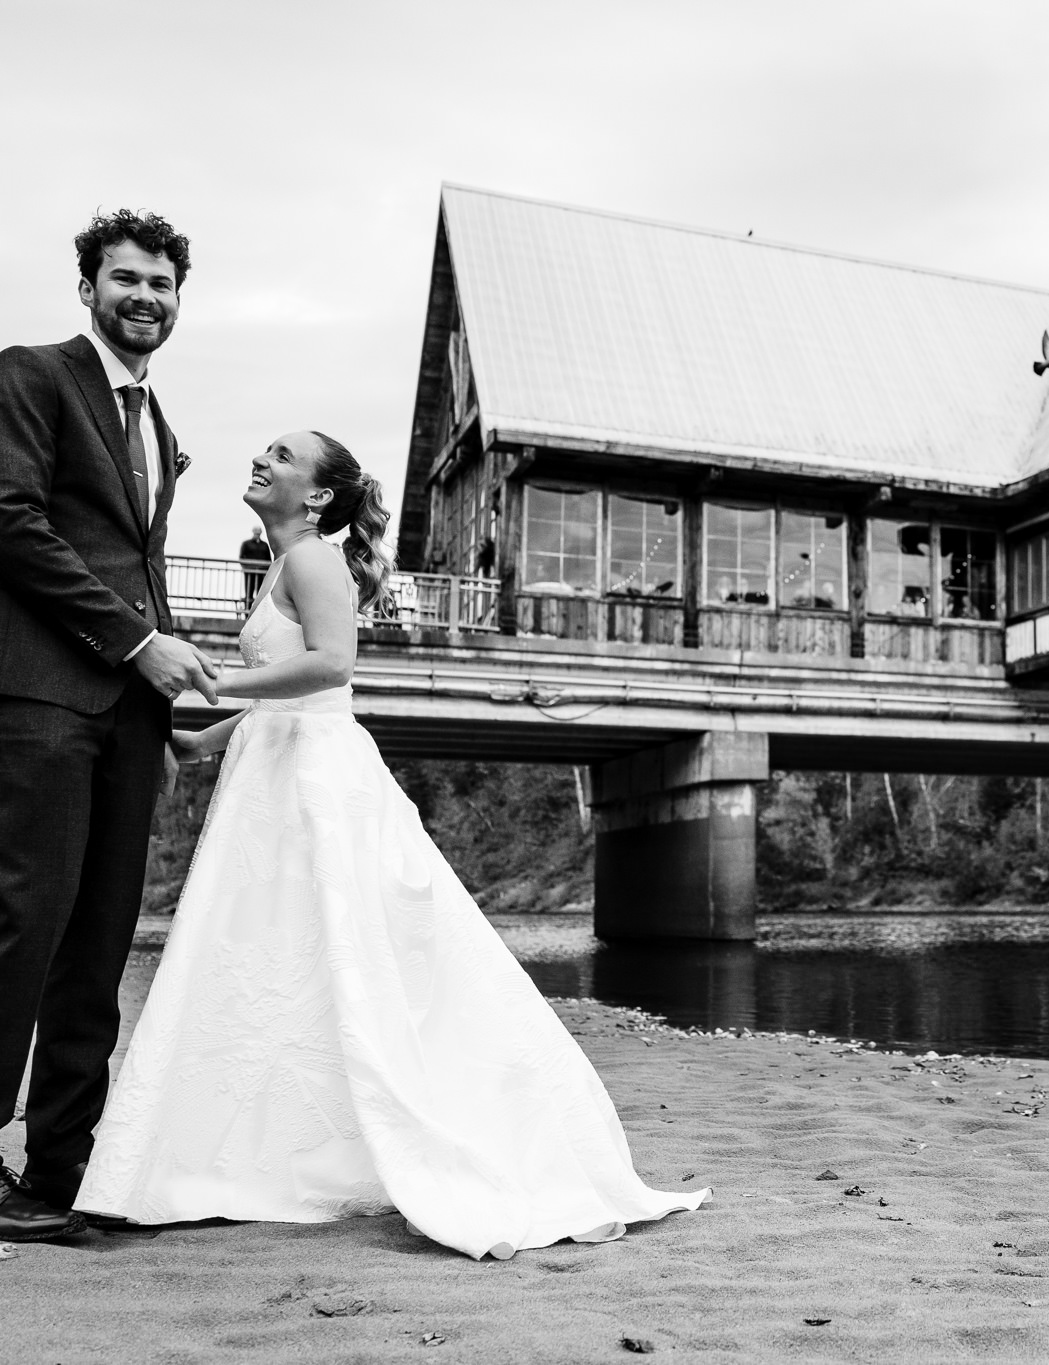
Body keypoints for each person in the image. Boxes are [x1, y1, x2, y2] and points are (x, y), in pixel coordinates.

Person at [74, 432, 707, 1258]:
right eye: (262, 448)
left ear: (315, 497)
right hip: (277, 771)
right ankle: (262, 1152)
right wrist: (201, 741)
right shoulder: (281, 560)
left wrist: (213, 679)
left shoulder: (312, 561)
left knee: (352, 957)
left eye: (282, 455)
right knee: (283, 959)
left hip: (318, 788)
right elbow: (289, 697)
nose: (261, 459)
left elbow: (332, 669)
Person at [0, 211, 220, 1241]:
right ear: (87, 286)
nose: (145, 297)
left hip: (128, 707)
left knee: (99, 941)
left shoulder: (158, 425)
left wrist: (163, 689)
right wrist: (139, 644)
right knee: (25, 920)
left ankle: (63, 1162)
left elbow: (140, 564)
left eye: (163, 284)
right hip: (36, 684)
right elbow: (12, 526)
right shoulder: (27, 375)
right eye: (126, 278)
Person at [237, 525, 270, 610]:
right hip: (249, 573)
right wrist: (246, 568)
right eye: (256, 533)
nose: (257, 535)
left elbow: (269, 560)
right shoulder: (246, 544)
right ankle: (247, 611)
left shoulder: (264, 545)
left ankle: (258, 612)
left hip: (261, 574)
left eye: (259, 533)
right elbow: (241, 558)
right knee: (249, 592)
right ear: (253, 533)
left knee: (260, 594)